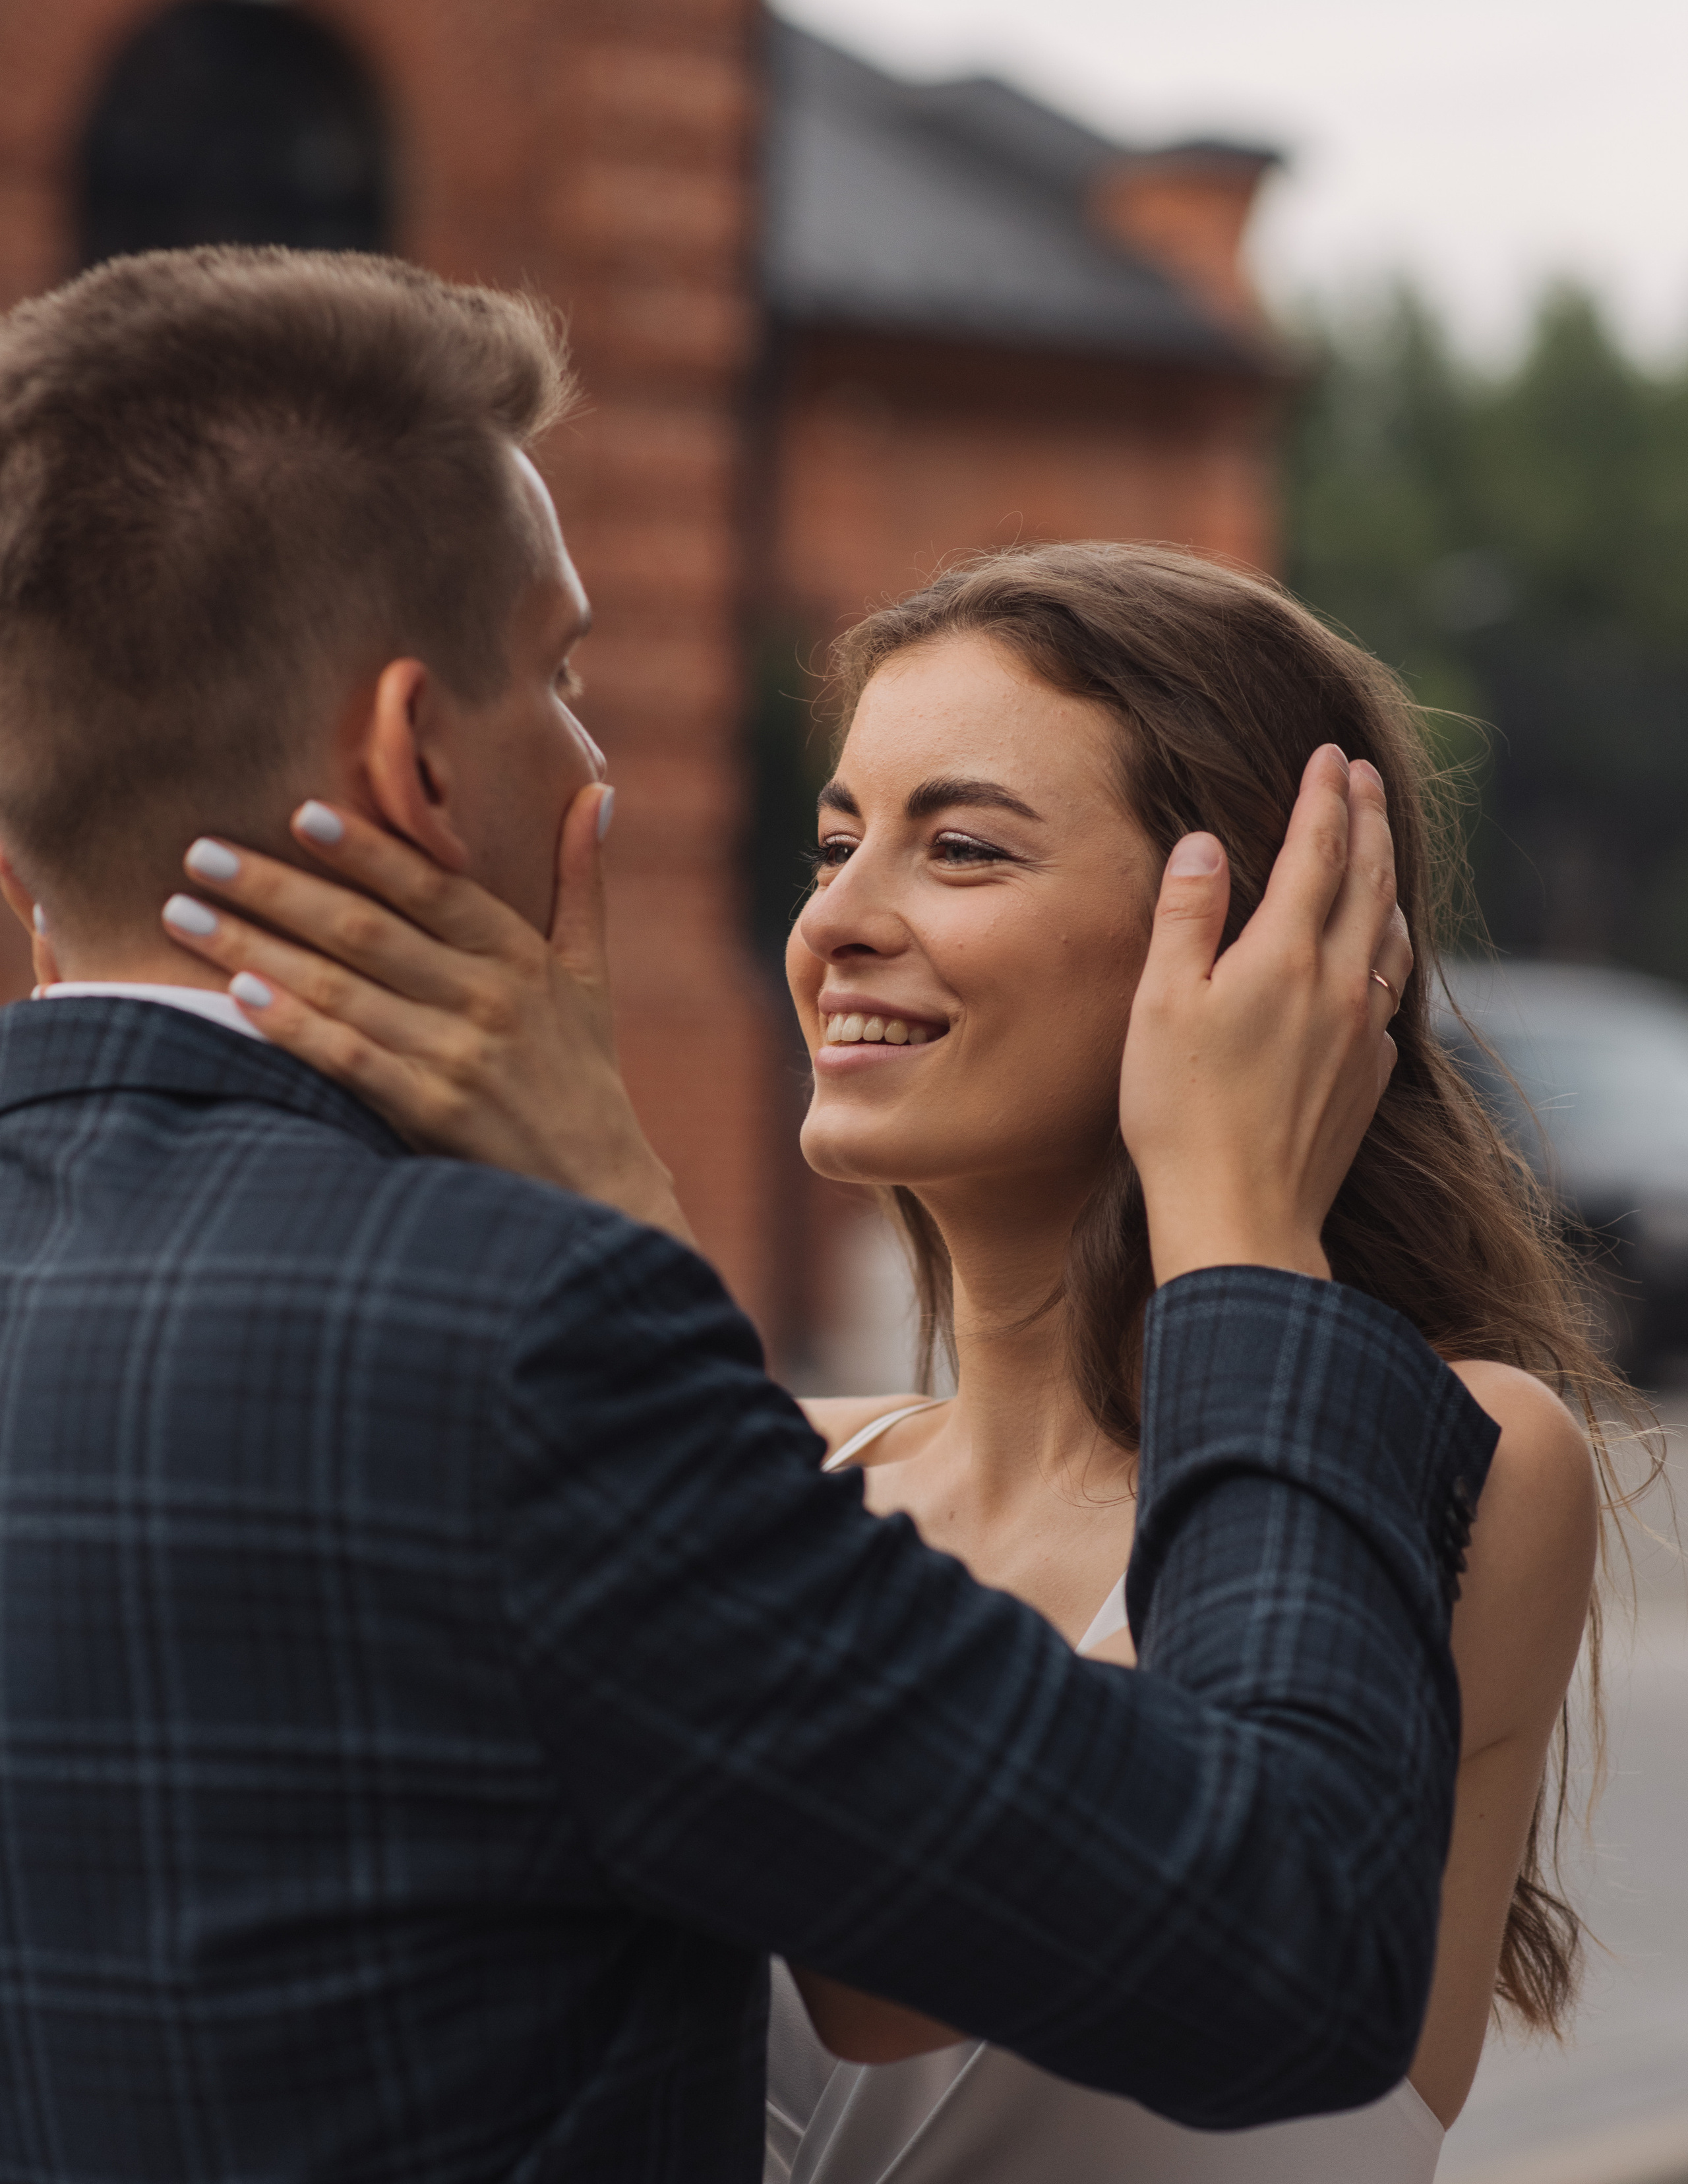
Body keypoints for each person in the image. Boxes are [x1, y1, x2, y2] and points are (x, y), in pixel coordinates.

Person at [0, 247, 1491, 2184]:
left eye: (957, 842)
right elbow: (1278, 1936)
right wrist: (1242, 1243)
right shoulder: (519, 1352)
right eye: (556, 673)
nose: (597, 758)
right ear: (415, 757)